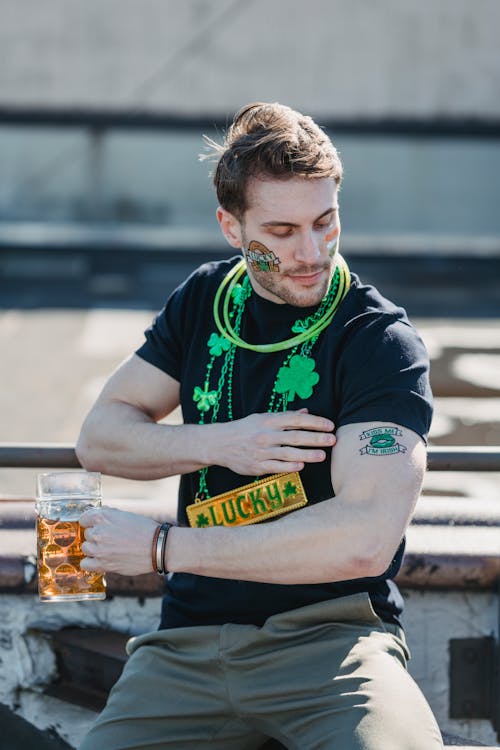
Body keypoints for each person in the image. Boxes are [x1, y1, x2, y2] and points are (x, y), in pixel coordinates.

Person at [76, 102, 443, 750]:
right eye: (280, 230)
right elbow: (99, 437)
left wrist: (163, 550)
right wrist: (220, 441)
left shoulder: (377, 339)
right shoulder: (203, 299)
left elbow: (364, 539)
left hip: (332, 643)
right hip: (184, 647)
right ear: (230, 226)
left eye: (324, 221)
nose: (310, 252)